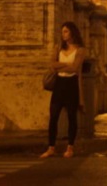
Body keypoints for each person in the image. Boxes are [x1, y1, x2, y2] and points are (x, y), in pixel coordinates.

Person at [41, 21, 86, 158]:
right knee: (53, 116)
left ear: (72, 32)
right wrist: (66, 64)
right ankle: (51, 147)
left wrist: (61, 65)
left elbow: (74, 68)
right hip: (59, 83)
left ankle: (70, 147)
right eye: (62, 32)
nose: (63, 34)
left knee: (72, 117)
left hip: (71, 84)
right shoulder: (58, 47)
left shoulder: (80, 49)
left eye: (66, 31)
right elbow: (52, 64)